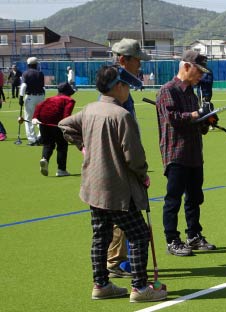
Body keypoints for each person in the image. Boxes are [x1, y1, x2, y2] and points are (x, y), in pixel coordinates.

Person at [58, 65, 167, 302]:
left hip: (93, 186)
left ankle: (101, 284)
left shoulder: (89, 109)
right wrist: (143, 175)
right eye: (126, 85)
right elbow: (134, 157)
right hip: (118, 189)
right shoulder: (121, 115)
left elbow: (65, 124)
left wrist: (83, 146)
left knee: (101, 236)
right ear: (118, 86)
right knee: (139, 235)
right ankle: (139, 287)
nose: (128, 89)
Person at [155, 50, 218, 256]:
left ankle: (193, 235)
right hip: (176, 153)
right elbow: (173, 119)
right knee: (173, 199)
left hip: (193, 153)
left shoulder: (192, 92)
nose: (201, 75)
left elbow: (196, 125)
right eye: (199, 71)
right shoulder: (168, 90)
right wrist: (196, 114)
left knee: (194, 197)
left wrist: (207, 120)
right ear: (187, 66)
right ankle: (172, 240)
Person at [107, 37, 151, 278]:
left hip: (125, 156)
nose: (139, 65)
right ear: (123, 59)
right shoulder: (116, 84)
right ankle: (114, 262)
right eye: (136, 60)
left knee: (121, 214)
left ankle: (119, 259)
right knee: (121, 213)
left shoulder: (123, 81)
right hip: (120, 161)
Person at [32, 82, 76, 177]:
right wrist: (68, 127)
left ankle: (45, 159)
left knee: (48, 144)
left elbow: (39, 107)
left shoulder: (49, 99)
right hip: (58, 126)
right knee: (62, 146)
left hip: (43, 124)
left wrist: (35, 118)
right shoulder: (69, 100)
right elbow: (66, 115)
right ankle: (61, 169)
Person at [19, 57, 45, 146]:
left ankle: (32, 140)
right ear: (36, 64)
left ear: (28, 64)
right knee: (41, 118)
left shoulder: (25, 73)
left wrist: (21, 97)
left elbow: (23, 86)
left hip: (30, 97)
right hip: (41, 97)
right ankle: (41, 136)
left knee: (28, 119)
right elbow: (43, 86)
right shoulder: (40, 73)